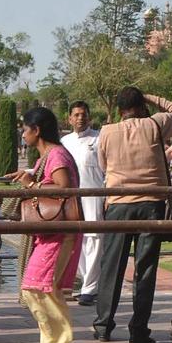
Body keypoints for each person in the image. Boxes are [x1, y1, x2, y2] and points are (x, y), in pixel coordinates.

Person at [92, 87, 172, 343]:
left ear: (120, 109)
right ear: (142, 105)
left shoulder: (107, 131)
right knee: (145, 270)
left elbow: (103, 165)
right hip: (151, 203)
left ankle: (103, 325)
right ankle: (139, 330)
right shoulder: (155, 124)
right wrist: (153, 96)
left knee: (112, 265)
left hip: (119, 204)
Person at [12, 107, 81, 343]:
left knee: (40, 288)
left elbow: (65, 188)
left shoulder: (57, 154)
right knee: (38, 288)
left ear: (36, 130)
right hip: (50, 232)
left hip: (59, 231)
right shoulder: (47, 156)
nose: (22, 133)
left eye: (24, 128)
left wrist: (32, 185)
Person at [60, 101, 103, 305]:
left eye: (84, 114)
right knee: (77, 241)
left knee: (94, 240)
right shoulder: (64, 142)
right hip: (72, 198)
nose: (80, 118)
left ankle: (90, 288)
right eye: (76, 115)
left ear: (89, 116)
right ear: (69, 118)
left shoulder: (99, 138)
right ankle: (88, 282)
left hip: (94, 195)